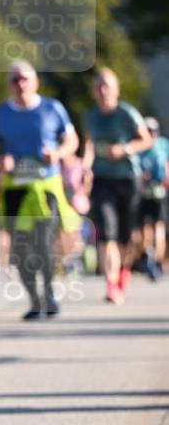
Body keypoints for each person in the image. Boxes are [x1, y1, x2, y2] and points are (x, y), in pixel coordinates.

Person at [0, 61, 79, 320]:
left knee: (42, 242)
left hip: (45, 186)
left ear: (35, 82)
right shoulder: (1, 114)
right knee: (19, 248)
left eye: (25, 78)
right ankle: (35, 301)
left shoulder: (52, 108)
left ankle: (48, 293)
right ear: (9, 85)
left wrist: (57, 153)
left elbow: (72, 140)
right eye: (15, 79)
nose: (20, 84)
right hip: (15, 188)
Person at [82, 68, 152, 304]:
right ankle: (111, 284)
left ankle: (124, 271)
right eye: (99, 86)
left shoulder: (127, 113)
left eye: (107, 86)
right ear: (93, 91)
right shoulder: (90, 116)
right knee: (107, 232)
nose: (103, 91)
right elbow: (88, 146)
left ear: (116, 90)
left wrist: (124, 149)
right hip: (102, 179)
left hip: (128, 179)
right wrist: (85, 168)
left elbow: (146, 140)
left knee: (126, 236)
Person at [137, 116, 168, 279]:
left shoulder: (162, 144)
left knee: (159, 227)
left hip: (159, 192)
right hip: (143, 192)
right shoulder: (139, 146)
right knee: (145, 228)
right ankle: (148, 257)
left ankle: (156, 260)